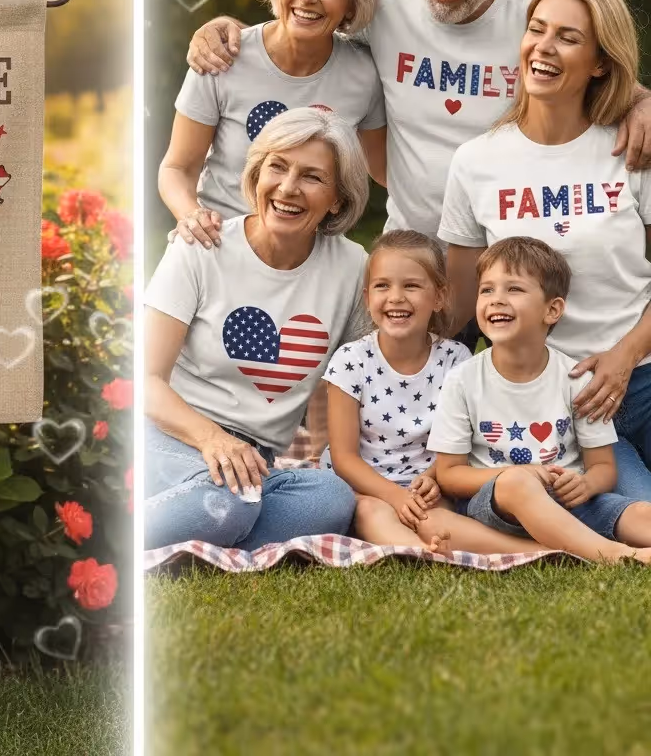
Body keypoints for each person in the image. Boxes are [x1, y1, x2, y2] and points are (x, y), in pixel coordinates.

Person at [181, 0, 651, 348]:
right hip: (415, 257)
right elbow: (301, 25)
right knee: (398, 386)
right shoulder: (385, 6)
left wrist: (644, 102)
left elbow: (607, 68)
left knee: (513, 387)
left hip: (510, 265)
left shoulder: (535, 17)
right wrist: (225, 30)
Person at [439, 0, 651, 499]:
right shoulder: (476, 162)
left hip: (641, 379)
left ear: (600, 62)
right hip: (540, 401)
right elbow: (459, 303)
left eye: (568, 37)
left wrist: (624, 356)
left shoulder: (633, 149)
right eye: (537, 29)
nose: (544, 47)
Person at [144, 108, 369, 550]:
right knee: (232, 502)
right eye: (277, 167)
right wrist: (211, 439)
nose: (288, 188)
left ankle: (205, 529)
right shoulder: (201, 247)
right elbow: (146, 380)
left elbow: (349, 381)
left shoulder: (352, 268)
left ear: (338, 199)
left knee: (331, 499)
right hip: (172, 434)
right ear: (257, 173)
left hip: (256, 463)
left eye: (312, 177)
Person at [160, 0, 386, 250]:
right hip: (219, 246)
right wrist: (192, 216)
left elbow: (385, 170)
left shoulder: (364, 75)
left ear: (353, 1)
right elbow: (177, 167)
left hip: (306, 260)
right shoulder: (221, 57)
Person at [323, 229, 547, 554]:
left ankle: (536, 550)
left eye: (411, 286)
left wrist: (432, 478)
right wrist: (394, 496)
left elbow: (464, 440)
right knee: (371, 512)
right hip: (365, 485)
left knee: (435, 518)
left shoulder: (456, 359)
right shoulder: (350, 361)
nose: (396, 297)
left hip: (429, 482)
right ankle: (422, 553)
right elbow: (344, 458)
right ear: (367, 297)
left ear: (439, 297)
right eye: (383, 286)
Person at [428, 237, 651, 563]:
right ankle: (613, 554)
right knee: (514, 483)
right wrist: (520, 476)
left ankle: (574, 544)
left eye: (513, 289)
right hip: (497, 508)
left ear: (552, 310)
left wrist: (586, 485)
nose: (496, 300)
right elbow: (449, 474)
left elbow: (603, 466)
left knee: (642, 513)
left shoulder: (575, 379)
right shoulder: (462, 380)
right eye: (486, 290)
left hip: (570, 503)